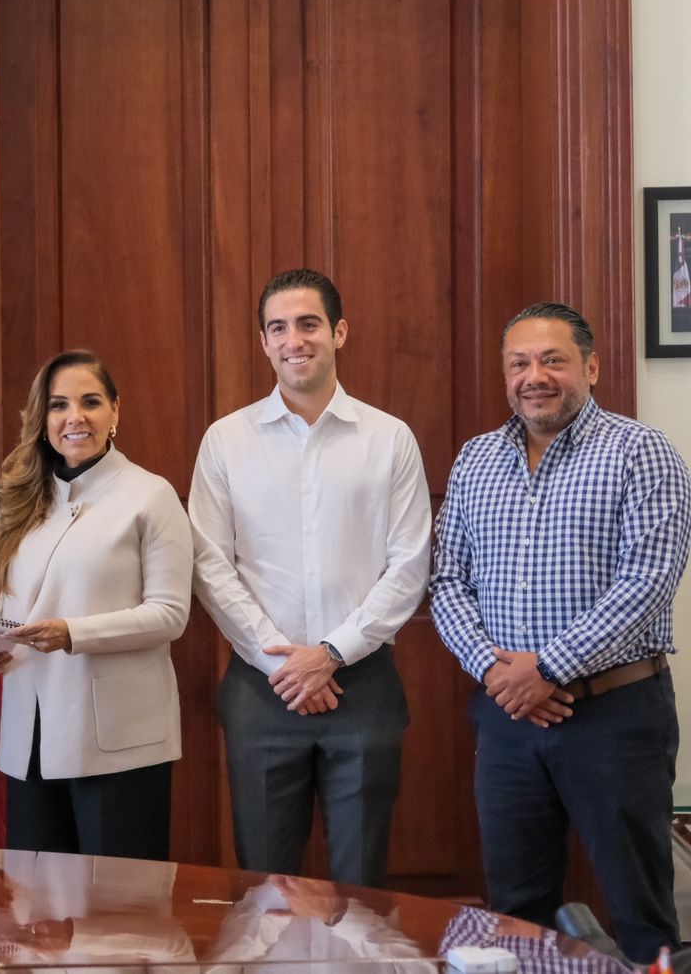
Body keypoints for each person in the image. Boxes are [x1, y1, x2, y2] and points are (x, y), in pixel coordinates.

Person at [432, 301, 691, 964]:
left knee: (641, 912)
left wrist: (543, 668)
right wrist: (500, 677)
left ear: (592, 367)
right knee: (516, 911)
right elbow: (447, 583)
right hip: (508, 721)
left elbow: (647, 582)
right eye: (519, 362)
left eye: (553, 360)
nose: (534, 376)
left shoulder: (641, 451)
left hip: (615, 716)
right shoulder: (476, 460)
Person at [189, 269, 431, 886]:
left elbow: (409, 565)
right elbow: (210, 564)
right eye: (278, 327)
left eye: (309, 324)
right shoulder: (226, 441)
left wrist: (330, 654)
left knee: (361, 884)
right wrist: (284, 665)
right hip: (260, 691)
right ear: (264, 342)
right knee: (267, 889)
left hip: (363, 687)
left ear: (339, 332)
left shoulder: (390, 439)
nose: (294, 339)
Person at [0, 350, 192, 859]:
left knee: (118, 918)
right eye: (59, 405)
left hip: (117, 742)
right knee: (38, 913)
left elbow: (171, 614)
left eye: (90, 402)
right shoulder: (21, 503)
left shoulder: (150, 496)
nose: (75, 417)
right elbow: (10, 611)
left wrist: (73, 633)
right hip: (31, 738)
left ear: (116, 411)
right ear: (41, 421)